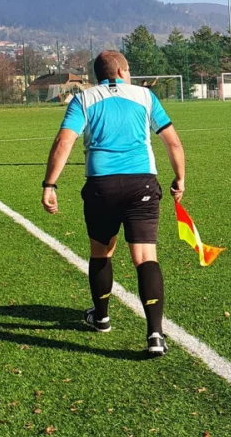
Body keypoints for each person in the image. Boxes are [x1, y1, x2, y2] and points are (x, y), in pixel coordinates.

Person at [41, 50, 186, 357]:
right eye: (129, 69)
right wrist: (179, 177)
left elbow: (64, 141)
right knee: (145, 256)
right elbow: (172, 140)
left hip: (101, 186)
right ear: (121, 70)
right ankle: (155, 335)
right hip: (142, 183)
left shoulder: (84, 99)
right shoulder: (146, 97)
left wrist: (50, 184)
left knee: (101, 252)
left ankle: (101, 316)